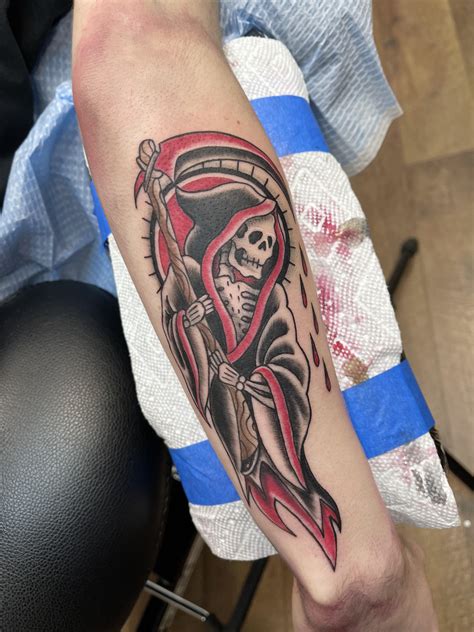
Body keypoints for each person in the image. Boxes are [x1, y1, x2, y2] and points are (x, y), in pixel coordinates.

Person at [72, 2, 438, 629]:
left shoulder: (262, 311)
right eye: (246, 243)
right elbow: (131, 35)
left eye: (263, 246)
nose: (255, 255)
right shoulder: (198, 286)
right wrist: (359, 578)